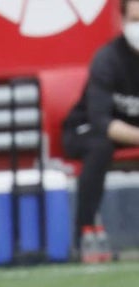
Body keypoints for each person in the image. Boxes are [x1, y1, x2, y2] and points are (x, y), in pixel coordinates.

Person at [61, 0, 139, 262]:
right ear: (124, 21)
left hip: (129, 134)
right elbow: (101, 121)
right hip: (86, 130)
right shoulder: (108, 59)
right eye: (137, 19)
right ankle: (82, 236)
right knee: (100, 146)